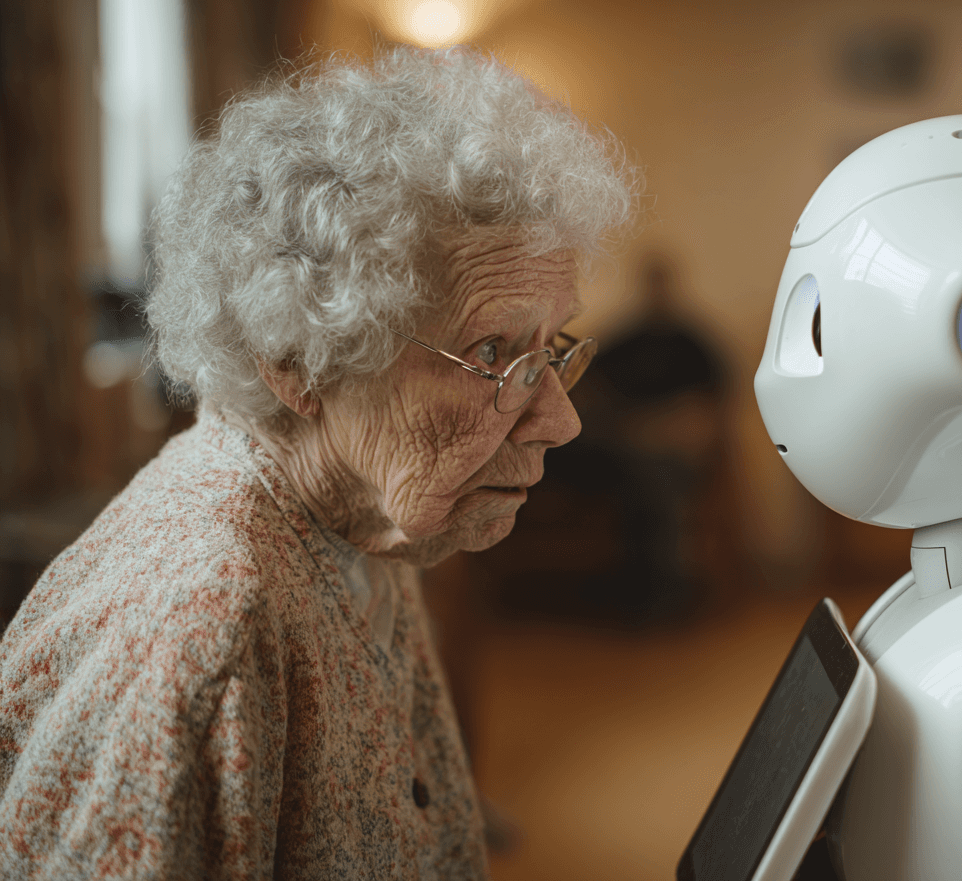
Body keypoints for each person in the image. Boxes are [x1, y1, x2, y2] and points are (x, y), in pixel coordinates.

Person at [0, 48, 634, 879]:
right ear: (298, 361)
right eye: (494, 351)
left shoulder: (362, 512)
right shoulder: (196, 633)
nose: (561, 419)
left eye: (551, 348)